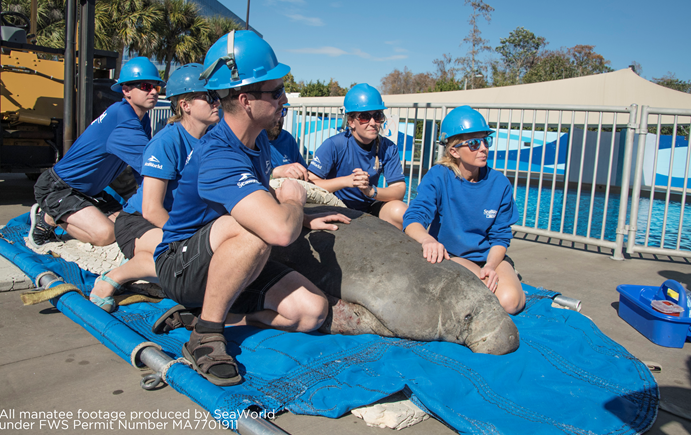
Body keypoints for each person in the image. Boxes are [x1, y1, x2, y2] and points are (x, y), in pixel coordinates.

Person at [154, 31, 350, 386]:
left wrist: (302, 218)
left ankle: (208, 317)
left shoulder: (256, 141)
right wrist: (293, 200)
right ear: (245, 99)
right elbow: (277, 229)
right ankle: (206, 337)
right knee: (256, 229)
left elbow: (273, 217)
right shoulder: (217, 154)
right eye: (275, 91)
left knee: (311, 312)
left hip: (230, 260)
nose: (284, 98)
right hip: (181, 266)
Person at [88, 63, 220, 312]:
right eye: (209, 96)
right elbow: (151, 208)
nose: (217, 103)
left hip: (178, 221)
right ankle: (116, 276)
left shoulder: (214, 139)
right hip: (140, 221)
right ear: (185, 104)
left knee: (202, 264)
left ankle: (149, 265)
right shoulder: (167, 141)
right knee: (185, 260)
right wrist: (189, 239)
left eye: (218, 96)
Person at [29, 57, 165, 247]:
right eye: (145, 86)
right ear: (126, 90)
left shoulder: (141, 120)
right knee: (106, 235)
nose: (153, 92)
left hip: (89, 191)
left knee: (127, 226)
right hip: (59, 187)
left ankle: (72, 213)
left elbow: (140, 171)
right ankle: (48, 217)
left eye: (156, 87)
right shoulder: (122, 116)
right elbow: (151, 165)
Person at [403, 106, 525, 315]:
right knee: (477, 294)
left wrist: (490, 266)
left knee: (510, 303)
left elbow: (500, 237)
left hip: (488, 257)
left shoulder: (500, 183)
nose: (483, 148)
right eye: (475, 143)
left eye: (486, 141)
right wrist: (428, 240)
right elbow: (414, 218)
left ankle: (506, 274)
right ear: (454, 151)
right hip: (452, 257)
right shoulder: (439, 176)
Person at [307, 84, 408, 229]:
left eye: (377, 116)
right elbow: (310, 184)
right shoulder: (334, 145)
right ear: (351, 121)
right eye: (365, 117)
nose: (373, 123)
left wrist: (371, 191)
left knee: (400, 211)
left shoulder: (388, 147)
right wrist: (346, 181)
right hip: (336, 204)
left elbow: (399, 189)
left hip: (369, 205)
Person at [267, 104, 309, 181]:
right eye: (275, 112)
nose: (279, 118)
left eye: (282, 111)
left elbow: (305, 171)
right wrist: (275, 173)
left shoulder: (287, 138)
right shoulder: (253, 141)